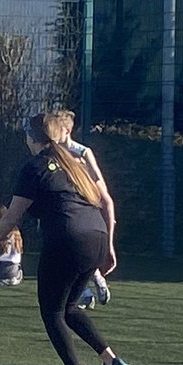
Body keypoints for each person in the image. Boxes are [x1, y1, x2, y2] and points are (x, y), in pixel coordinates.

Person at [0, 114, 130, 365]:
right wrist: (109, 246)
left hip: (68, 240)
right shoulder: (72, 163)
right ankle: (112, 362)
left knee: (51, 312)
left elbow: (13, 215)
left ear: (32, 138)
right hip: (96, 237)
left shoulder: (34, 167)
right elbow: (101, 202)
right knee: (69, 308)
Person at [55, 110, 113, 305]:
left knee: (78, 250)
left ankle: (94, 281)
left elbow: (99, 183)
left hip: (84, 207)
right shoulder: (52, 152)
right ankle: (87, 292)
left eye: (58, 129)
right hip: (64, 208)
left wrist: (105, 207)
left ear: (68, 130)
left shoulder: (82, 152)